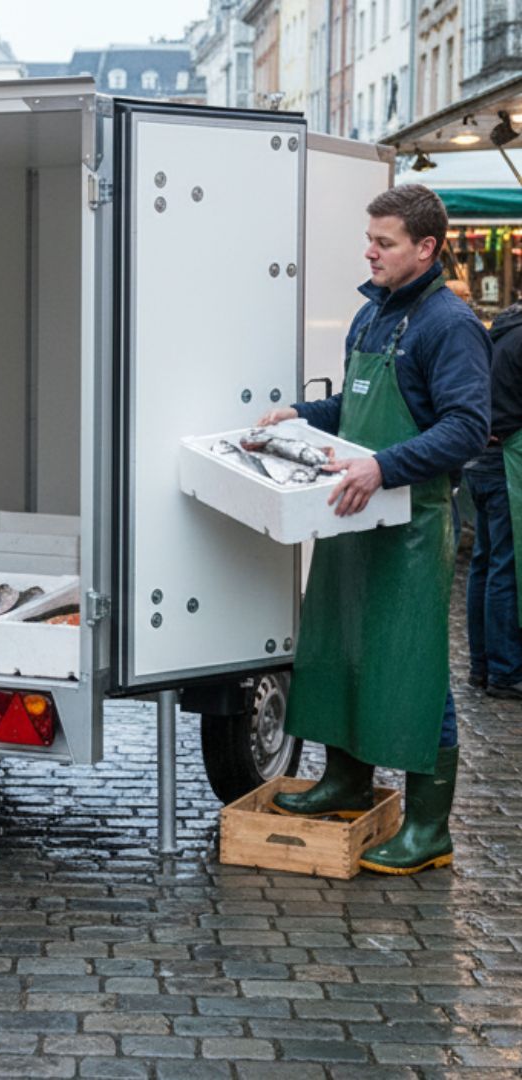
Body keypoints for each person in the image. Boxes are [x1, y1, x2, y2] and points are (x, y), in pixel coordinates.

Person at [259, 184, 491, 875]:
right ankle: (346, 783)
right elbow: (351, 408)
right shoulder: (371, 316)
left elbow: (466, 428)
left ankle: (429, 828)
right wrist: (299, 416)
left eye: (384, 242)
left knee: (416, 673)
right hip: (352, 520)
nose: (371, 251)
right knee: (343, 653)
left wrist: (385, 468)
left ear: (426, 248)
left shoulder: (448, 325)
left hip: (412, 530)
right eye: (371, 239)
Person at [465, 302, 522, 697]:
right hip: (505, 459)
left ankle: (481, 666)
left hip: (478, 457)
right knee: (506, 563)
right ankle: (506, 671)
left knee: (483, 562)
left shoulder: (498, 332)